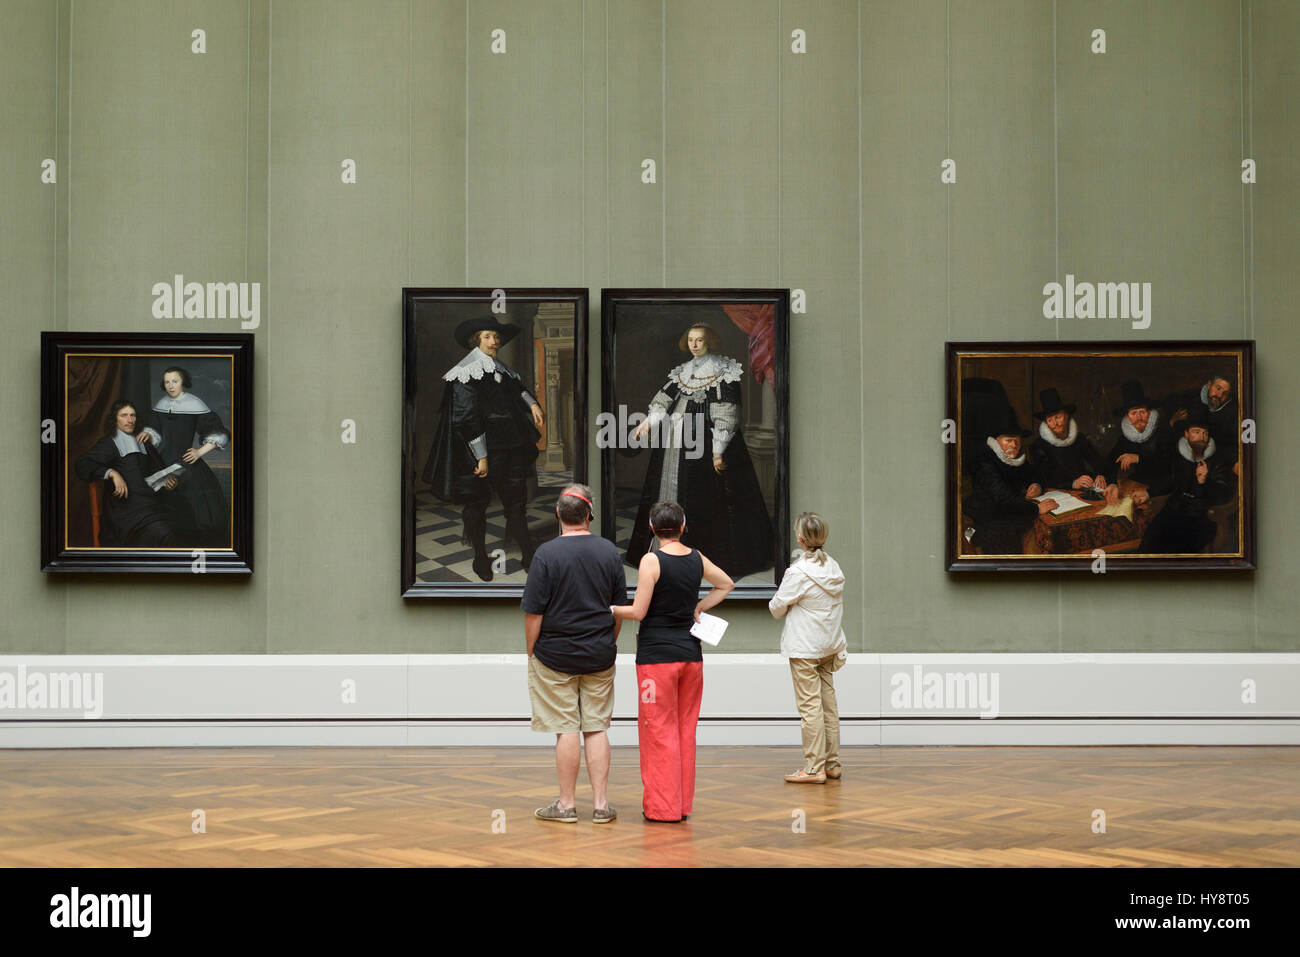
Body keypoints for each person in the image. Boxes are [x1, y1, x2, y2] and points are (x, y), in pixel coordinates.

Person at [612, 502, 733, 822]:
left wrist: (609, 610)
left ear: (652, 528)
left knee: (657, 732)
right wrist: (700, 608)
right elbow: (726, 584)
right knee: (684, 731)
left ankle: (662, 808)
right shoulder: (696, 557)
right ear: (682, 526)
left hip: (656, 661)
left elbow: (638, 612)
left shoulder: (651, 560)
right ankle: (681, 805)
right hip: (691, 658)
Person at [625, 323, 773, 580]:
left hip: (705, 445)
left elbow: (725, 413)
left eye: (700, 340)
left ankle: (699, 559)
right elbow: (663, 400)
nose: (694, 345)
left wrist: (717, 451)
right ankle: (668, 551)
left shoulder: (723, 371)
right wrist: (647, 423)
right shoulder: (682, 371)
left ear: (710, 342)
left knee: (706, 496)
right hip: (675, 442)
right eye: (691, 340)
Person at [521, 484, 627, 824]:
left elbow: (534, 614)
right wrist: (607, 642)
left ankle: (566, 806)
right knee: (596, 727)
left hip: (555, 655)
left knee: (566, 728)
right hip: (599, 653)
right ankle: (600, 806)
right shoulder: (609, 552)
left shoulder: (546, 555)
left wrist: (531, 652)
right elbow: (618, 610)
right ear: (589, 514)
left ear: (557, 514)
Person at [423, 317, 545, 581]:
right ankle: (480, 557)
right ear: (475, 340)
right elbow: (466, 419)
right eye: (488, 336)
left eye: (496, 337)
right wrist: (482, 456)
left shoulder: (499, 367)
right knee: (476, 505)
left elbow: (517, 389)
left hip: (510, 444)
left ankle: (528, 555)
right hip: (479, 449)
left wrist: (532, 404)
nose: (495, 341)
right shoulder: (465, 371)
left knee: (515, 501)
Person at [769, 512, 847, 784]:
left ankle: (813, 769)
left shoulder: (798, 572)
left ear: (800, 539)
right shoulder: (834, 567)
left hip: (804, 648)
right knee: (828, 704)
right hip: (829, 644)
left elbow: (776, 608)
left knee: (810, 708)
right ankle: (832, 764)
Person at [137, 366, 231, 546]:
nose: (170, 385)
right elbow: (154, 429)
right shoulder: (161, 405)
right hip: (161, 460)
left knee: (200, 512)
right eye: (167, 382)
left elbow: (218, 432)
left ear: (183, 382)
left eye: (175, 381)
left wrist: (199, 452)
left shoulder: (195, 404)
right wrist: (148, 434)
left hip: (186, 461)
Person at [73, 400, 182, 546]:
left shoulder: (144, 442)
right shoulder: (109, 443)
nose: (130, 420)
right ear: (114, 419)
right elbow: (82, 464)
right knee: (163, 533)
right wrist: (112, 473)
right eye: (124, 415)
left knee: (179, 526)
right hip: (126, 510)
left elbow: (159, 473)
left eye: (133, 415)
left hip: (151, 504)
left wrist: (168, 483)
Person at [1139, 407, 1236, 553]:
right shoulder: (1180, 456)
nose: (1202, 437)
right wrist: (1148, 493)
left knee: (1177, 547)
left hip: (1202, 518)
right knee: (1150, 542)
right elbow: (1172, 481)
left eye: (1205, 433)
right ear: (1186, 434)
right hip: (1175, 511)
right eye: (1196, 432)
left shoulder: (1217, 460)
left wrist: (1202, 482)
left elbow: (1221, 495)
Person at [962, 408, 1057, 554]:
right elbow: (1003, 498)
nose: (1014, 445)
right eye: (1008, 441)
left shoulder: (1015, 457)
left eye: (1017, 441)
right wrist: (1037, 509)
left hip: (1011, 510)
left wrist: (1036, 485)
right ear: (997, 441)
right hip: (987, 518)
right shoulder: (984, 462)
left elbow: (1035, 476)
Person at [1027, 388, 1108, 494]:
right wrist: (1073, 484)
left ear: (1067, 415)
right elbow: (1044, 478)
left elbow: (1097, 460)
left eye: (1058, 417)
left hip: (1085, 488)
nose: (1055, 423)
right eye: (1050, 420)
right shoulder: (1039, 445)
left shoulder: (1079, 438)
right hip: (1058, 493)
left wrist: (1100, 474)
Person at [1102, 380, 1171, 504]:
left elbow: (1168, 463)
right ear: (1128, 417)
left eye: (1142, 412)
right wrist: (1112, 483)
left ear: (1149, 413)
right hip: (1139, 482)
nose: (1139, 417)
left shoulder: (1163, 432)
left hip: (1162, 488)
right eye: (1134, 413)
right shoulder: (1126, 437)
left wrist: (1139, 458)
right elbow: (1110, 463)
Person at [1166, 374, 1239, 468]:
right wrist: (1172, 421)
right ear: (1209, 384)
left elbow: (1228, 442)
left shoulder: (1231, 411)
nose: (1220, 395)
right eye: (1218, 388)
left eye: (1225, 393)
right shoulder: (1188, 399)